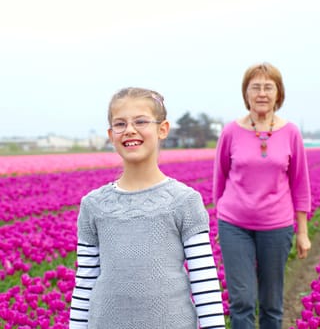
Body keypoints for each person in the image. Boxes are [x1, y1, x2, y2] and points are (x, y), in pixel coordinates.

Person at [69, 87, 225, 329]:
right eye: (120, 124)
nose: (130, 129)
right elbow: (85, 284)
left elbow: (204, 280)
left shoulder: (184, 201)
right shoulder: (94, 206)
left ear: (162, 129)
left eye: (140, 121)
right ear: (111, 135)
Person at [213, 62, 311, 329]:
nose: (262, 93)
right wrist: (219, 219)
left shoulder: (290, 133)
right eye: (255, 87)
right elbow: (220, 179)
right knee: (242, 301)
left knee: (271, 304)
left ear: (279, 93)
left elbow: (300, 184)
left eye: (268, 87)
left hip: (276, 227)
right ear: (246, 93)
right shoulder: (231, 131)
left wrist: (302, 231)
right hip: (234, 225)